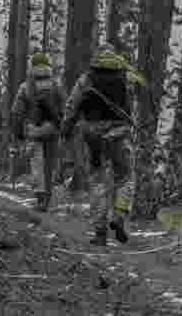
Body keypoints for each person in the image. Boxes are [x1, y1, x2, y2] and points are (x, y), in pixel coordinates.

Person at [59, 42, 144, 246]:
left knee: (98, 181)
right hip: (120, 133)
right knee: (125, 177)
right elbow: (140, 92)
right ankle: (120, 215)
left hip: (93, 133)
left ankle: (100, 232)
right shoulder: (127, 76)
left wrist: (66, 129)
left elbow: (72, 106)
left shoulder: (87, 78)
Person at [11, 52, 65, 212]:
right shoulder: (56, 84)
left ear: (32, 66)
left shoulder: (26, 86)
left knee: (37, 162)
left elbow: (17, 112)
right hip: (53, 129)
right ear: (49, 65)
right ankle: (47, 200)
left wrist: (18, 131)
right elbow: (65, 108)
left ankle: (41, 198)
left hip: (34, 129)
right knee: (49, 164)